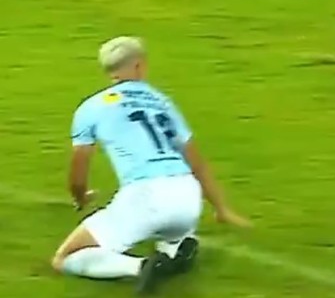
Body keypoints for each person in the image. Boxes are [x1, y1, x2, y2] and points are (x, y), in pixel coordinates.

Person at [52, 36, 250, 294]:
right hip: (188, 196)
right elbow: (197, 163)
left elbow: (78, 175)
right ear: (139, 65)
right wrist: (222, 209)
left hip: (146, 196)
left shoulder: (91, 107)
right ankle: (176, 246)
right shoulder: (163, 103)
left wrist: (80, 196)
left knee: (65, 258)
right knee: (168, 227)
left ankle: (143, 266)